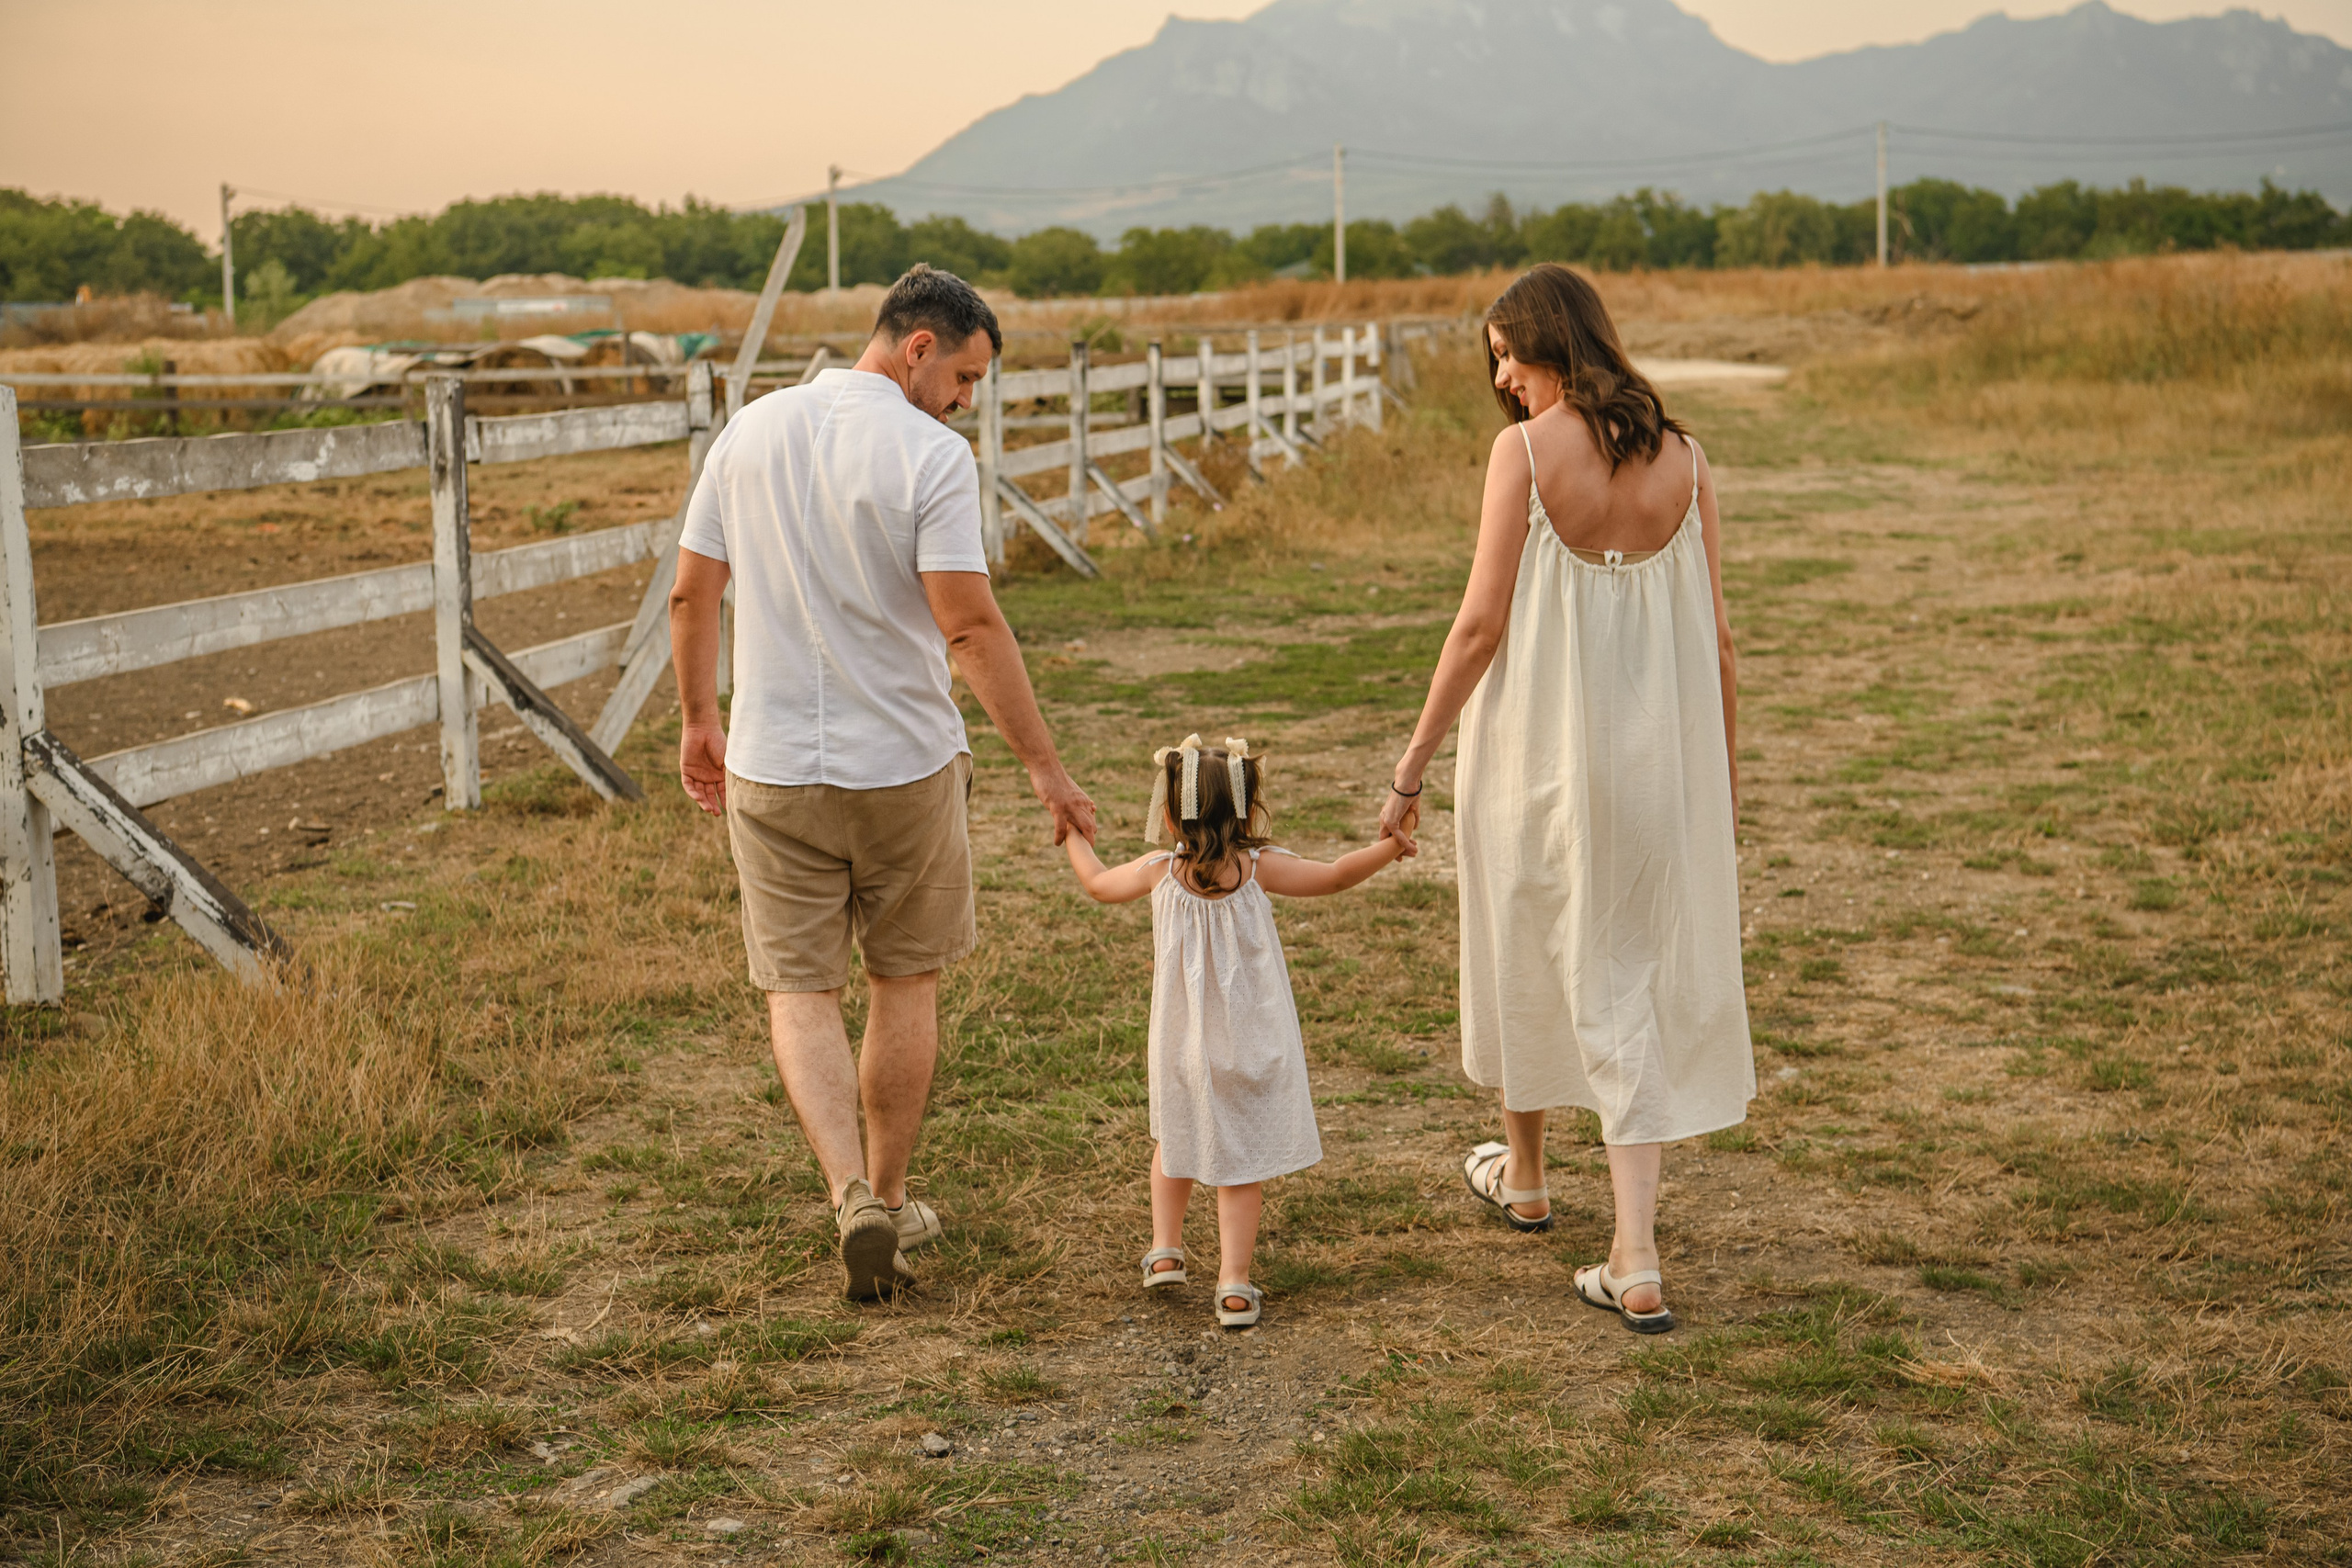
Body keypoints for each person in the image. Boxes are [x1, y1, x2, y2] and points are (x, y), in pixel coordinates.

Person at [670, 264, 1096, 1303]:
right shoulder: (930, 457)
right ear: (917, 348)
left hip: (772, 767)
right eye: (964, 376)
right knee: (903, 983)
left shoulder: (750, 432)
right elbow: (966, 624)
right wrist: (1046, 768)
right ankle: (892, 1202)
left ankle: (847, 1191)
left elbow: (691, 592)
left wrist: (698, 720)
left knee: (800, 991)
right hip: (903, 766)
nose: (965, 400)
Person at [1379, 264, 1752, 1336]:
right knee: (1620, 965)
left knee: (1533, 940)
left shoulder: (1524, 454)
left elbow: (1478, 628)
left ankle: (1631, 1254)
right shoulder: (1686, 458)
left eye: (1510, 352)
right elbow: (1721, 644)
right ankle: (1530, 1180)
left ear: (1558, 344)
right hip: (1657, 771)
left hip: (1535, 754)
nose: (1500, 376)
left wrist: (1411, 766)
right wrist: (1715, 792)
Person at [1064, 735, 1410, 1328]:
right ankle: (1233, 1284)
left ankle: (1166, 1248)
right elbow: (1332, 876)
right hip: (1248, 1044)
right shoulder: (1258, 870)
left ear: (1171, 813)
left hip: (1180, 1044)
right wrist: (1388, 850)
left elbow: (1096, 883)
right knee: (1239, 1165)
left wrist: (1071, 831)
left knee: (1174, 1141)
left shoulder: (1157, 873)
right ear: (1249, 810)